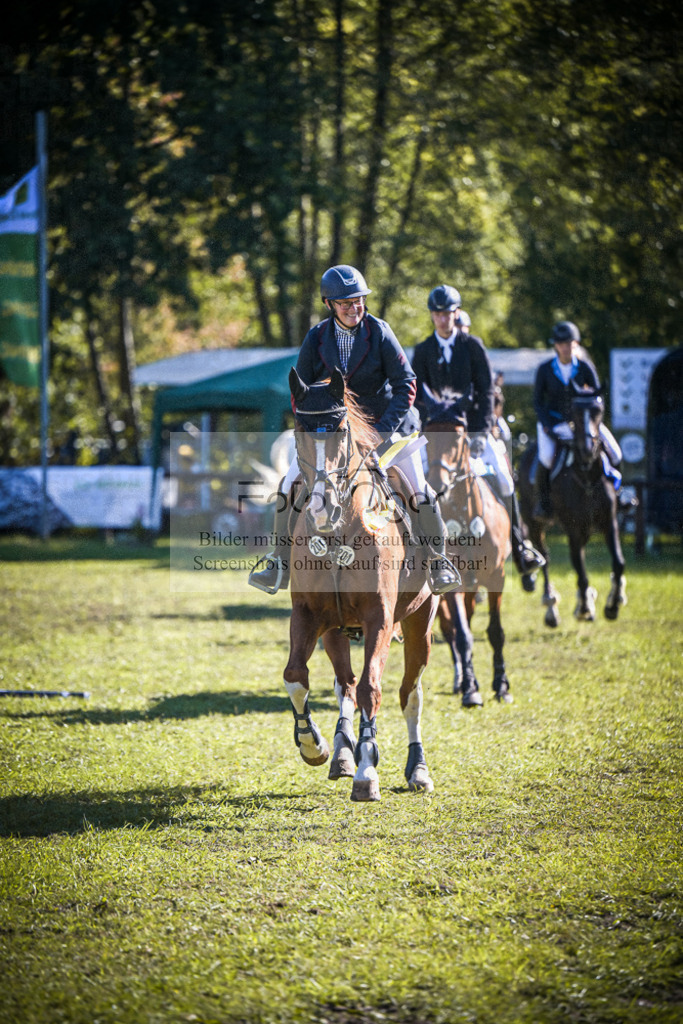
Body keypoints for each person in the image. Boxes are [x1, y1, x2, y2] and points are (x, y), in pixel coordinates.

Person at [248, 265, 461, 596]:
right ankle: (277, 561)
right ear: (329, 304)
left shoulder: (379, 332)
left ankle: (437, 561)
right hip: (333, 433)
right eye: (345, 303)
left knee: (419, 490)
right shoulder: (317, 337)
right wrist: (312, 424)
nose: (353, 308)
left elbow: (406, 383)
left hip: (386, 429)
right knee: (289, 483)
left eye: (358, 301)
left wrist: (379, 432)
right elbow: (299, 390)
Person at [412, 286, 544, 578]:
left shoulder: (473, 347)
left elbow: (485, 391)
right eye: (437, 314)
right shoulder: (423, 351)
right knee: (413, 481)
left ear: (456, 313)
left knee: (504, 478)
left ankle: (521, 547)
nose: (443, 319)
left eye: (447, 314)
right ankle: (415, 548)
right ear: (432, 316)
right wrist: (423, 427)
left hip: (471, 432)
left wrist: (481, 430)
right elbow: (416, 396)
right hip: (434, 434)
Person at [533, 320, 622, 521]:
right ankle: (543, 503)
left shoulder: (585, 367)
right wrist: (548, 426)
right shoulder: (545, 369)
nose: (565, 348)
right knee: (547, 457)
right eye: (561, 344)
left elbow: (599, 399)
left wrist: (595, 424)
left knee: (615, 452)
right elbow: (538, 402)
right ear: (555, 345)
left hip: (585, 423)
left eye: (568, 343)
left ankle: (619, 495)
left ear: (576, 344)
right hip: (554, 423)